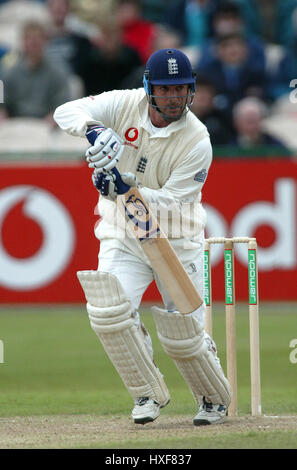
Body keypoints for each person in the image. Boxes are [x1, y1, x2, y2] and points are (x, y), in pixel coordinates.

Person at [54, 48, 232, 426]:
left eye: (181, 89)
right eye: (166, 90)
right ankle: (146, 392)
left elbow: (170, 203)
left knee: (185, 333)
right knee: (108, 312)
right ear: (149, 87)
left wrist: (121, 184)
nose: (174, 98)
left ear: (192, 90)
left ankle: (213, 399)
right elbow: (64, 111)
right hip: (124, 233)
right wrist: (94, 128)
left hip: (177, 238)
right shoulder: (124, 104)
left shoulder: (198, 139)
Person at [0, 21, 70, 124]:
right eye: (30, 39)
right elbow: (2, 101)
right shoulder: (9, 68)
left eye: (38, 38)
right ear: (22, 42)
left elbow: (64, 102)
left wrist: (55, 117)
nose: (34, 43)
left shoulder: (58, 69)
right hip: (15, 124)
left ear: (46, 41)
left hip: (47, 126)